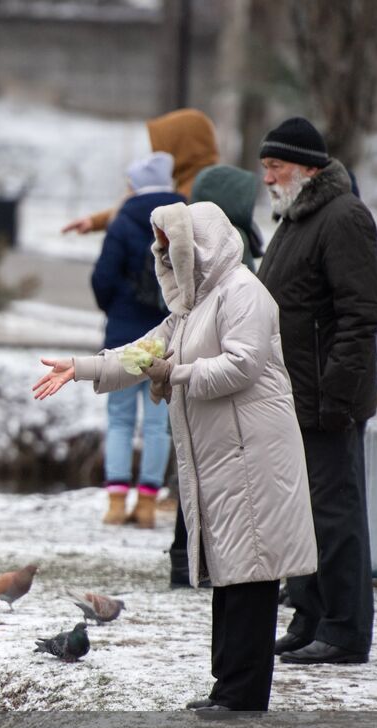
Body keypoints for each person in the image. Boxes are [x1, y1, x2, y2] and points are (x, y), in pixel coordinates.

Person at [34, 202, 317, 712]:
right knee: (231, 573)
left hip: (253, 457)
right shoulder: (194, 306)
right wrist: (78, 367)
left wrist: (175, 374)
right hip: (227, 458)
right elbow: (143, 353)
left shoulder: (243, 293)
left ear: (197, 247)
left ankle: (242, 696)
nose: (162, 257)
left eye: (170, 247)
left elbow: (241, 367)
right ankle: (227, 688)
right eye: (160, 248)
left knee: (251, 576)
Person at [254, 117, 377, 665]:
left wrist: (336, 393)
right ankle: (309, 615)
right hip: (291, 398)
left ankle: (345, 629)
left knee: (335, 516)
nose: (267, 177)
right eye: (263, 167)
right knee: (298, 517)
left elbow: (360, 315)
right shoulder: (296, 216)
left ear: (308, 168)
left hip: (326, 401)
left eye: (275, 166)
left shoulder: (344, 217)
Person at [163, 163, 265, 585]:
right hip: (213, 383)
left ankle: (184, 558)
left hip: (196, 377)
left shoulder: (195, 241)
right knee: (214, 480)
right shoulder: (231, 247)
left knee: (193, 474)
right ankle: (197, 560)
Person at [89, 152, 187, 528]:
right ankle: (147, 505)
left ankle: (115, 503)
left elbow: (102, 278)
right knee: (157, 421)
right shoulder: (184, 216)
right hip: (169, 335)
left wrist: (115, 308)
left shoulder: (124, 219)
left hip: (124, 334)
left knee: (119, 418)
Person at [61, 108, 220, 234]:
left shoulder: (198, 190)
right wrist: (95, 221)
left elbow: (148, 210)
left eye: (163, 146)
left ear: (182, 146)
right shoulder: (194, 181)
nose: (156, 156)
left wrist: (98, 221)